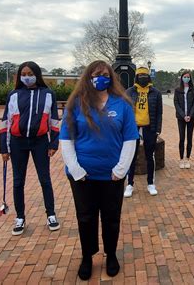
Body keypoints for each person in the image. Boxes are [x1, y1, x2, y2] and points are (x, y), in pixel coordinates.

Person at [60, 60, 138, 280]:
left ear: (111, 77)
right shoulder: (77, 103)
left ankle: (111, 254)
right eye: (96, 74)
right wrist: (76, 169)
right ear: (88, 77)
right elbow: (66, 139)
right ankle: (87, 256)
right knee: (85, 217)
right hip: (82, 176)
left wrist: (121, 169)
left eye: (105, 74)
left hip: (112, 175)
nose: (100, 77)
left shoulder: (122, 104)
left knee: (112, 217)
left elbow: (130, 138)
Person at [0, 61, 60, 236]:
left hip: (40, 141)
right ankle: (20, 217)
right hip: (18, 143)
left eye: (30, 73)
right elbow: (6, 122)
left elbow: (54, 121)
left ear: (37, 74)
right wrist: (4, 148)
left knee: (45, 180)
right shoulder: (14, 95)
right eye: (23, 74)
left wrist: (53, 143)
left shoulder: (48, 94)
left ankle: (51, 215)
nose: (27, 77)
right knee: (18, 182)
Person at [124, 67, 163, 197]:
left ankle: (151, 183)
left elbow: (159, 113)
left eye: (144, 75)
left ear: (149, 77)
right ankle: (129, 184)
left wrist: (158, 129)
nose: (142, 77)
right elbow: (125, 111)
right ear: (136, 77)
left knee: (149, 156)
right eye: (140, 75)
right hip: (133, 128)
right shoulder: (129, 92)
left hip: (149, 127)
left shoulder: (156, 93)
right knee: (131, 156)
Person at [173, 71, 194, 169]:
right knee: (182, 138)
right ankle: (181, 159)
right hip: (181, 118)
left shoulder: (193, 90)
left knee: (189, 138)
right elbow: (176, 104)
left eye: (188, 77)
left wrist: (190, 115)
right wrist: (183, 115)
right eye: (185, 76)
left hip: (191, 118)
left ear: (190, 78)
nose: (186, 78)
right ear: (182, 78)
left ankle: (187, 159)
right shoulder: (178, 90)